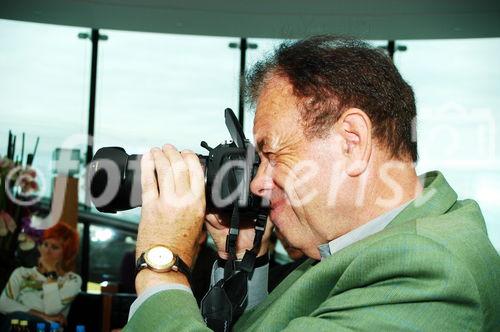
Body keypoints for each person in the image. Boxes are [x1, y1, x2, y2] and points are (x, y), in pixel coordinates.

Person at [124, 36, 500, 330]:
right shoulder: (363, 244)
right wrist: (244, 259)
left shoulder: (427, 272)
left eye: (272, 156)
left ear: (352, 142)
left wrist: (161, 266)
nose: (258, 183)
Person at [0, 222, 82, 331]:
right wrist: (42, 315)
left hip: (46, 329)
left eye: (54, 247)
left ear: (66, 254)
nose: (47, 251)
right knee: (18, 320)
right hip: (17, 323)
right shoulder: (22, 273)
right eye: (45, 244)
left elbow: (51, 310)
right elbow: (3, 304)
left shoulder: (72, 279)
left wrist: (51, 272)